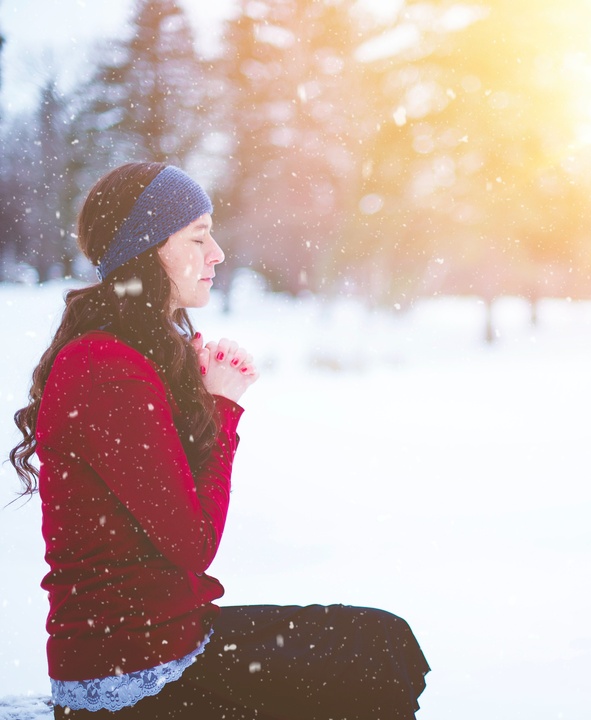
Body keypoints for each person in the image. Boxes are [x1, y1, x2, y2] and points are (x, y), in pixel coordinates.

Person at [9, 162, 430, 719]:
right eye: (198, 236)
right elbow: (193, 541)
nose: (218, 254)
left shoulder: (128, 357)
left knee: (387, 643)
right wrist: (224, 408)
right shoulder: (103, 367)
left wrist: (204, 401)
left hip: (172, 642)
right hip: (134, 678)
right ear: (147, 248)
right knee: (372, 664)